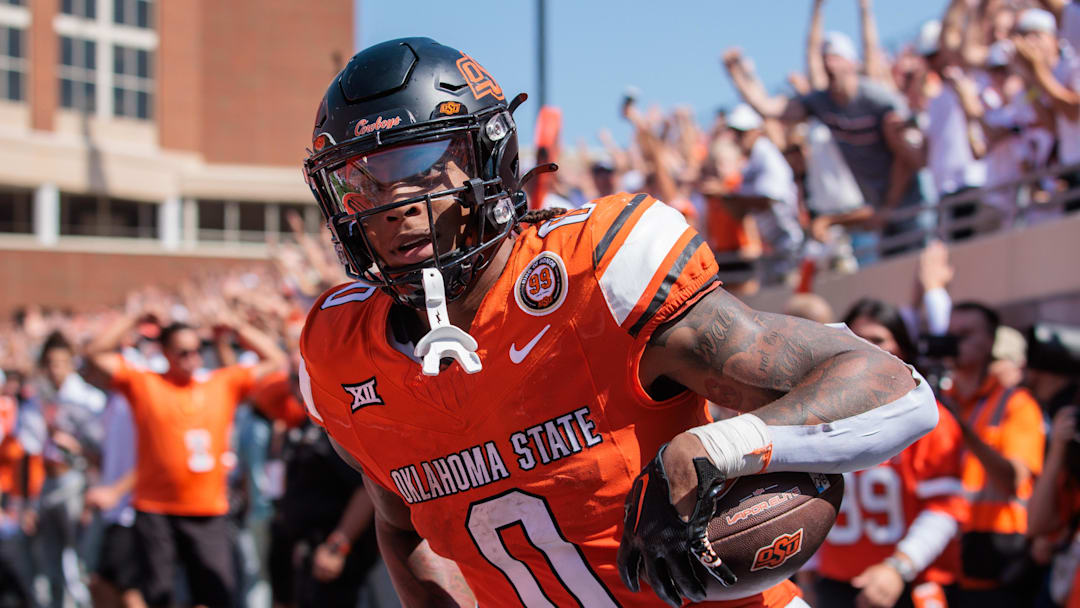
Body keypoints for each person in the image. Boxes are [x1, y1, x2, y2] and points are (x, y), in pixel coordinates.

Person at [298, 38, 938, 608]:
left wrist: (715, 447)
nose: (394, 205)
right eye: (363, 180)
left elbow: (899, 393)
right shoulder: (340, 353)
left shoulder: (596, 274)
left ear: (488, 158)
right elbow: (399, 523)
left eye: (421, 167)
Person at [85, 308, 286, 608]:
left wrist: (237, 328)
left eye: (197, 351)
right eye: (183, 352)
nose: (192, 359)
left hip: (208, 509)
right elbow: (94, 355)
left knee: (215, 594)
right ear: (165, 353)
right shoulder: (146, 383)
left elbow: (276, 360)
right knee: (159, 595)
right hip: (157, 509)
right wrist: (133, 319)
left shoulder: (220, 383)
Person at [809, 299, 967, 608]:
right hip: (833, 582)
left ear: (902, 349)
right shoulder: (816, 413)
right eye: (855, 339)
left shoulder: (928, 418)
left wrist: (899, 567)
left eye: (878, 340)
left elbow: (945, 508)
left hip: (910, 580)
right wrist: (806, 571)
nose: (865, 349)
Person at [724, 32, 926, 256]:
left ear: (851, 62)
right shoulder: (821, 103)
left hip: (909, 204)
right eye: (825, 59)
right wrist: (735, 74)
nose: (828, 64)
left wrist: (889, 205)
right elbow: (769, 110)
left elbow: (905, 157)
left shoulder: (879, 100)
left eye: (834, 57)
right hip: (879, 211)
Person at [943, 302, 1046, 608]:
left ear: (990, 341)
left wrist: (961, 429)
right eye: (950, 334)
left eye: (966, 334)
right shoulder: (936, 402)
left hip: (997, 561)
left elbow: (1015, 478)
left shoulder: (1017, 403)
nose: (955, 342)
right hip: (941, 556)